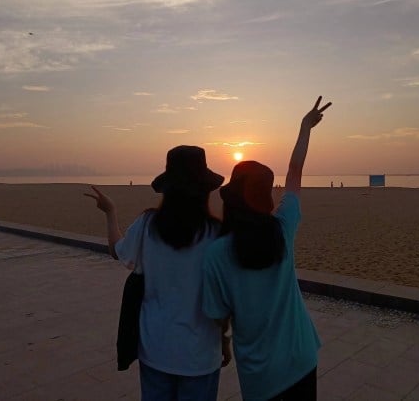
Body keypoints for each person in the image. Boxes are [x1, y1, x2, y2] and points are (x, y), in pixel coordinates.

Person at [202, 97, 332, 401]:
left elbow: (218, 315)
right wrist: (305, 128)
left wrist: (223, 343)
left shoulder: (217, 253)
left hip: (260, 375)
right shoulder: (282, 229)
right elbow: (295, 171)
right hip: (301, 358)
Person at [85, 145, 231, 401]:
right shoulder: (217, 234)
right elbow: (221, 303)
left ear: (168, 188)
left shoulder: (147, 224)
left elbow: (117, 251)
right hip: (201, 354)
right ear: (205, 189)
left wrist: (111, 213)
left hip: (155, 349)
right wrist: (225, 340)